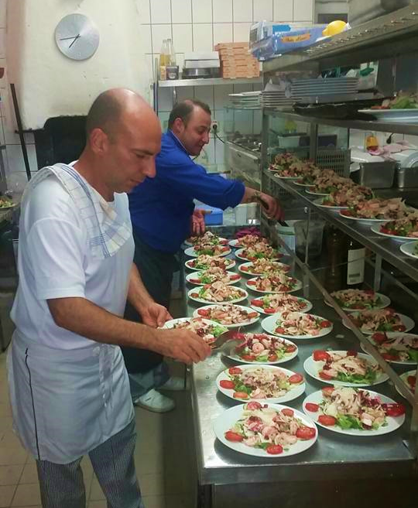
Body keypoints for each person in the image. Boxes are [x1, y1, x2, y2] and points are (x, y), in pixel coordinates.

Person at [7, 89, 211, 508]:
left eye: (153, 157)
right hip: (56, 372)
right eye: (140, 156)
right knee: (64, 485)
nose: (150, 171)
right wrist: (157, 340)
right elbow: (67, 310)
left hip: (105, 358)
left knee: (121, 467)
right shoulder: (53, 205)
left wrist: (143, 302)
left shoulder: (116, 192)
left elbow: (118, 252)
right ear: (100, 141)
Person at [122, 99, 283, 413]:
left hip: (158, 246)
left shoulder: (174, 152)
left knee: (159, 313)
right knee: (144, 316)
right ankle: (139, 387)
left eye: (209, 131)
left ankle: (156, 376)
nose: (206, 138)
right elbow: (210, 187)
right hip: (143, 246)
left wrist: (186, 212)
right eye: (200, 130)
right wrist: (257, 194)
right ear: (178, 125)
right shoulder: (167, 154)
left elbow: (171, 191)